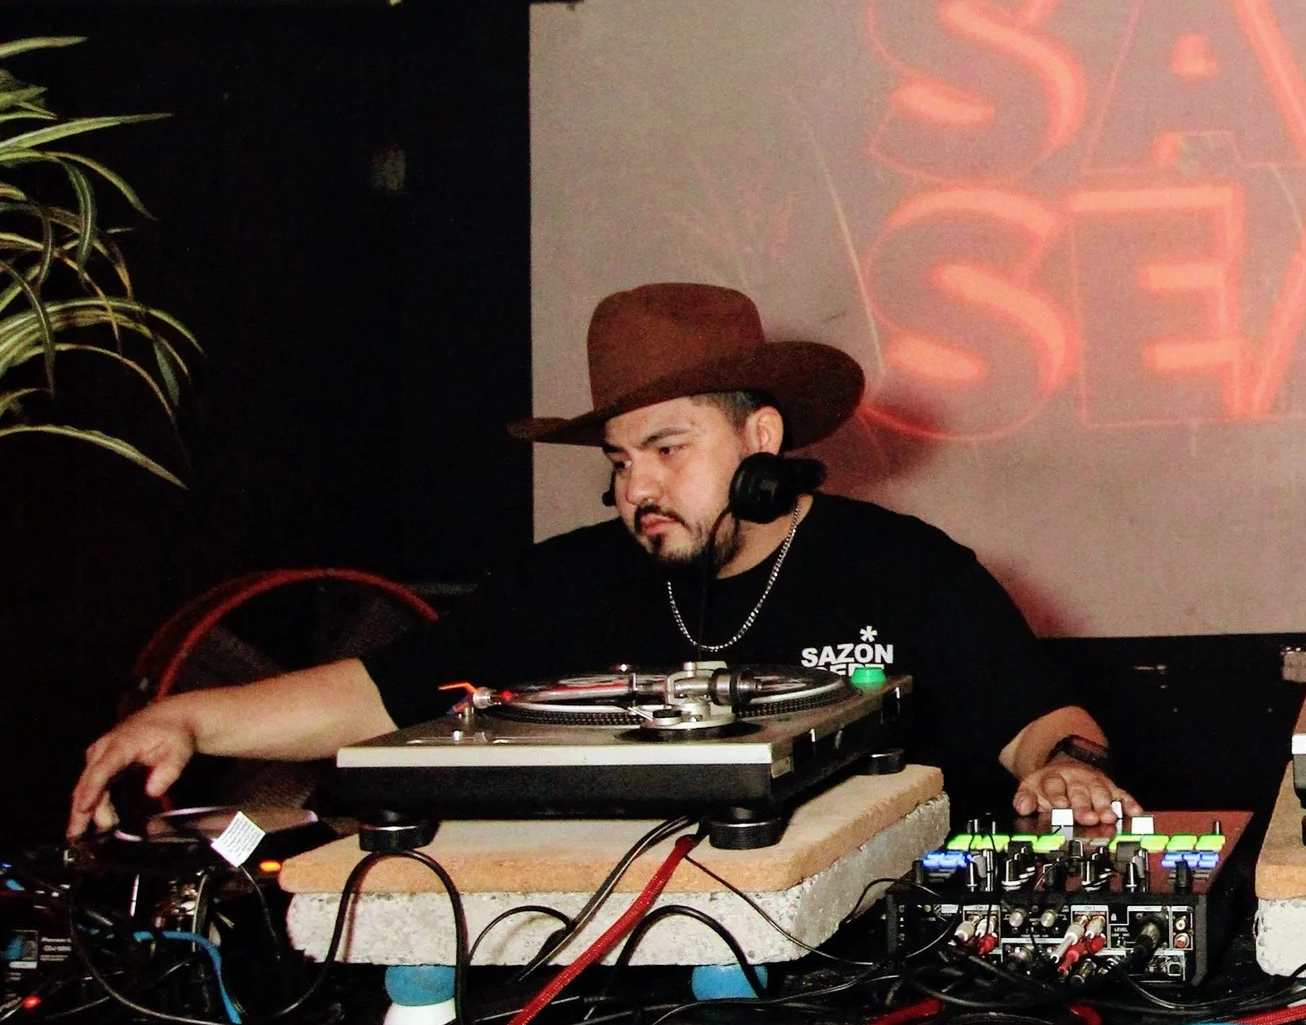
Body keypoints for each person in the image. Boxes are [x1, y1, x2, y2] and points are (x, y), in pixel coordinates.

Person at [70, 281, 1134, 839]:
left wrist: (1065, 771)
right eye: (621, 461)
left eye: (668, 450)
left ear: (761, 440)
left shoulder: (903, 566)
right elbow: (377, 691)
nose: (636, 490)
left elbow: (1036, 716)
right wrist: (190, 717)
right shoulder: (567, 581)